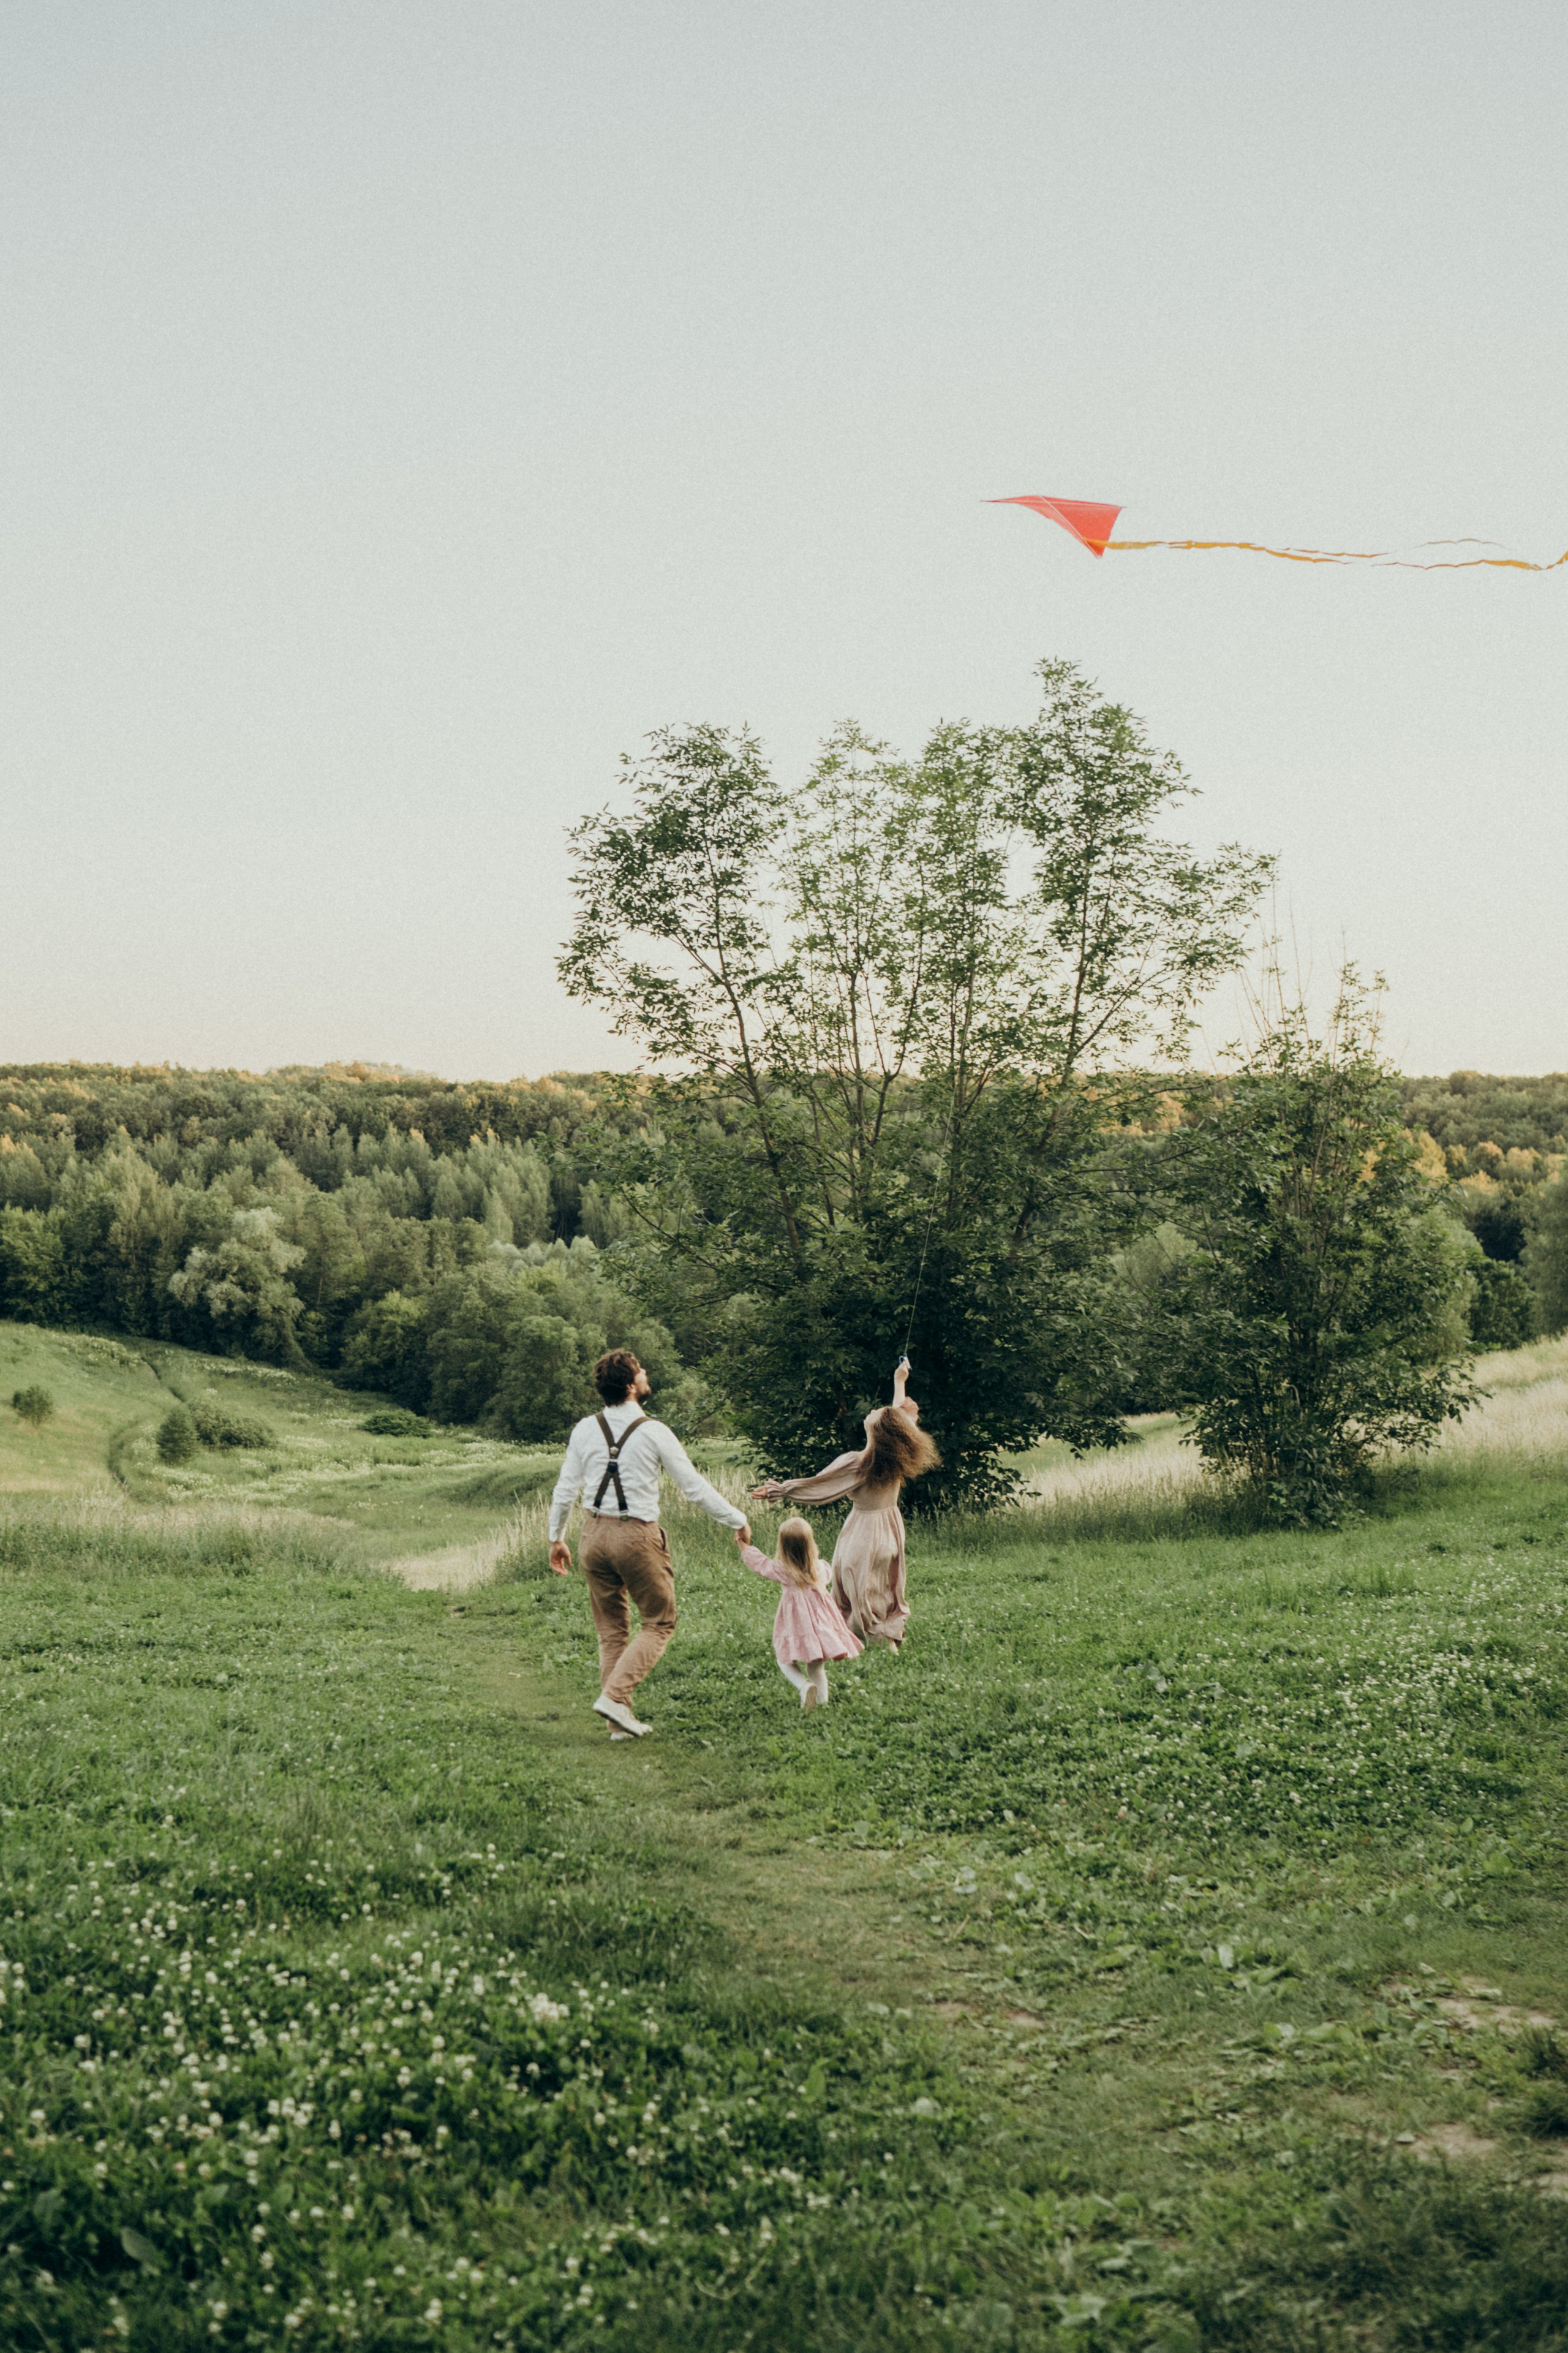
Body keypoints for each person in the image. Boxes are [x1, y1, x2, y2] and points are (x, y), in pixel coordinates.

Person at [549, 1348, 749, 1739]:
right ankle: (615, 1699)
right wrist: (737, 1519)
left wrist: (556, 1538)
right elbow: (693, 1488)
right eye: (640, 1370)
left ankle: (617, 1724)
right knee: (660, 1622)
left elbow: (565, 1490)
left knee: (612, 1632)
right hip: (636, 1537)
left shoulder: (585, 1429)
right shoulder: (655, 1431)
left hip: (592, 1536)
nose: (645, 1373)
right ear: (630, 1386)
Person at [750, 1356, 939, 1650]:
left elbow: (819, 1486)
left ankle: (872, 1640)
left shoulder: (859, 1463)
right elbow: (898, 1419)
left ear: (878, 1430)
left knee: (857, 1587)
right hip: (891, 1528)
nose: (874, 1410)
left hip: (864, 1531)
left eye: (877, 1413)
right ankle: (879, 1635)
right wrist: (899, 1381)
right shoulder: (896, 1452)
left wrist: (781, 1490)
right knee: (881, 1586)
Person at [736, 1516, 861, 1710]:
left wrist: (742, 1543)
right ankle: (822, 1703)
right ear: (810, 1545)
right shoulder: (820, 1568)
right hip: (821, 1628)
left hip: (797, 1626)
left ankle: (804, 1687)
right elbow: (829, 1573)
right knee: (816, 1668)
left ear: (783, 1548)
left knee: (783, 1660)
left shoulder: (783, 1570)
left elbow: (759, 1563)